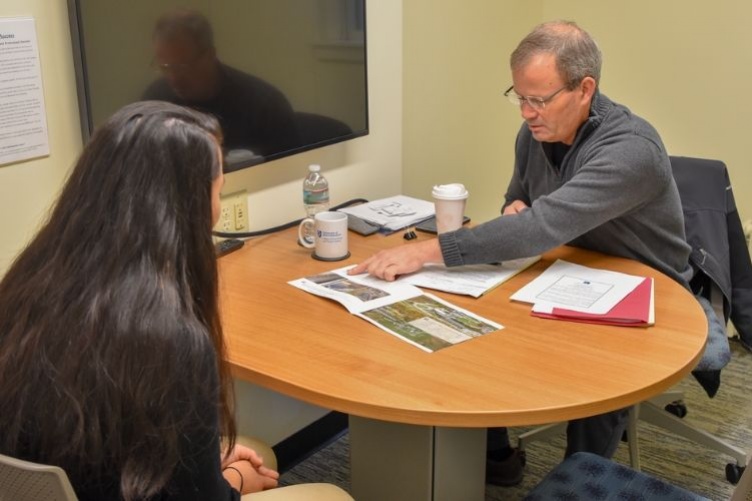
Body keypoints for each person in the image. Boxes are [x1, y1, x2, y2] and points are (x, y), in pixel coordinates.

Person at [350, 20, 696, 486]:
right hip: (567, 268)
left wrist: (432, 250)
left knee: (598, 368)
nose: (526, 113)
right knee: (479, 325)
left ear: (584, 88)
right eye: (519, 96)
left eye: (538, 99)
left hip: (646, 288)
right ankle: (495, 453)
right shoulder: (535, 135)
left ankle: (581, 478)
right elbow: (520, 207)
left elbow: (542, 225)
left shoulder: (630, 150)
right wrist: (515, 212)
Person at [0, 101, 351, 500]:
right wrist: (234, 482)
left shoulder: (23, 294)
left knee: (258, 452)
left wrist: (202, 462)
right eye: (219, 189)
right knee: (328, 493)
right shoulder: (171, 341)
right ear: (187, 205)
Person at [143, 8, 300, 158]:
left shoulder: (265, 106)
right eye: (165, 67)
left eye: (182, 67)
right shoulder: (154, 103)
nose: (173, 78)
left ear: (210, 55)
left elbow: (289, 173)